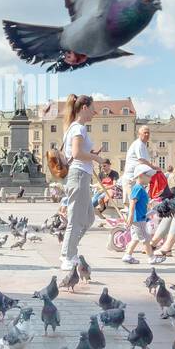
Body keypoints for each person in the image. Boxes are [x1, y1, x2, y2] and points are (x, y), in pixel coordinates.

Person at [57, 94, 100, 272]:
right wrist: (98, 157)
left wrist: (92, 154)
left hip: (82, 174)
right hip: (79, 175)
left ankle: (69, 249)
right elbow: (76, 154)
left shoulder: (76, 127)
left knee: (89, 218)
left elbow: (79, 152)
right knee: (75, 219)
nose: (94, 112)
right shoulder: (78, 128)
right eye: (92, 108)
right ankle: (67, 255)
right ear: (84, 108)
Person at [121, 164, 154, 263]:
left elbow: (139, 202)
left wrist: (149, 204)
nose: (150, 178)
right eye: (148, 175)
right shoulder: (138, 188)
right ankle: (151, 257)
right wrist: (130, 216)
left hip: (138, 217)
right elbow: (132, 202)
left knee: (135, 238)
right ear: (140, 175)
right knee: (146, 239)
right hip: (138, 218)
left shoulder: (140, 188)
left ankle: (127, 255)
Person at [123, 125, 153, 204]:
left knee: (135, 204)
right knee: (134, 204)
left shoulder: (142, 145)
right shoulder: (139, 144)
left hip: (135, 179)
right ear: (139, 134)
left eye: (148, 133)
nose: (147, 134)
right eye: (145, 133)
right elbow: (141, 160)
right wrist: (153, 167)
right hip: (131, 178)